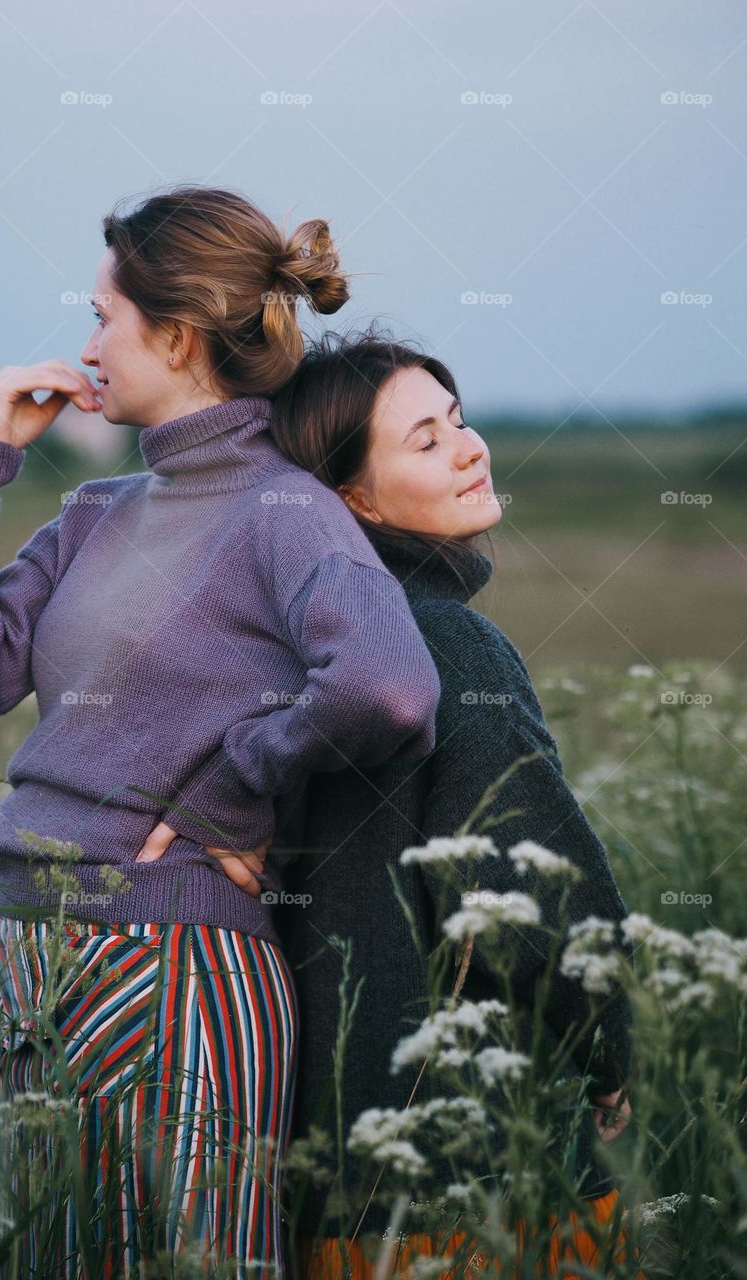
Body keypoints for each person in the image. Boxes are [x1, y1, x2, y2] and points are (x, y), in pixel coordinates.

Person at [0, 191, 444, 1278]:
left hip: (178, 960)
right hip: (36, 958)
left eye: (106, 316)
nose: (88, 344)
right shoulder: (100, 508)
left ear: (179, 335)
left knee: (191, 1263)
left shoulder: (283, 510)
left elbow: (388, 685)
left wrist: (221, 792)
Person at [268, 331, 646, 1279]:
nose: (472, 448)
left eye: (461, 421)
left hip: (318, 1176)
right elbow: (531, 899)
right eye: (426, 441)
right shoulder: (448, 644)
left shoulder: (297, 646)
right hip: (469, 1178)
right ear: (351, 497)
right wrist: (612, 1047)